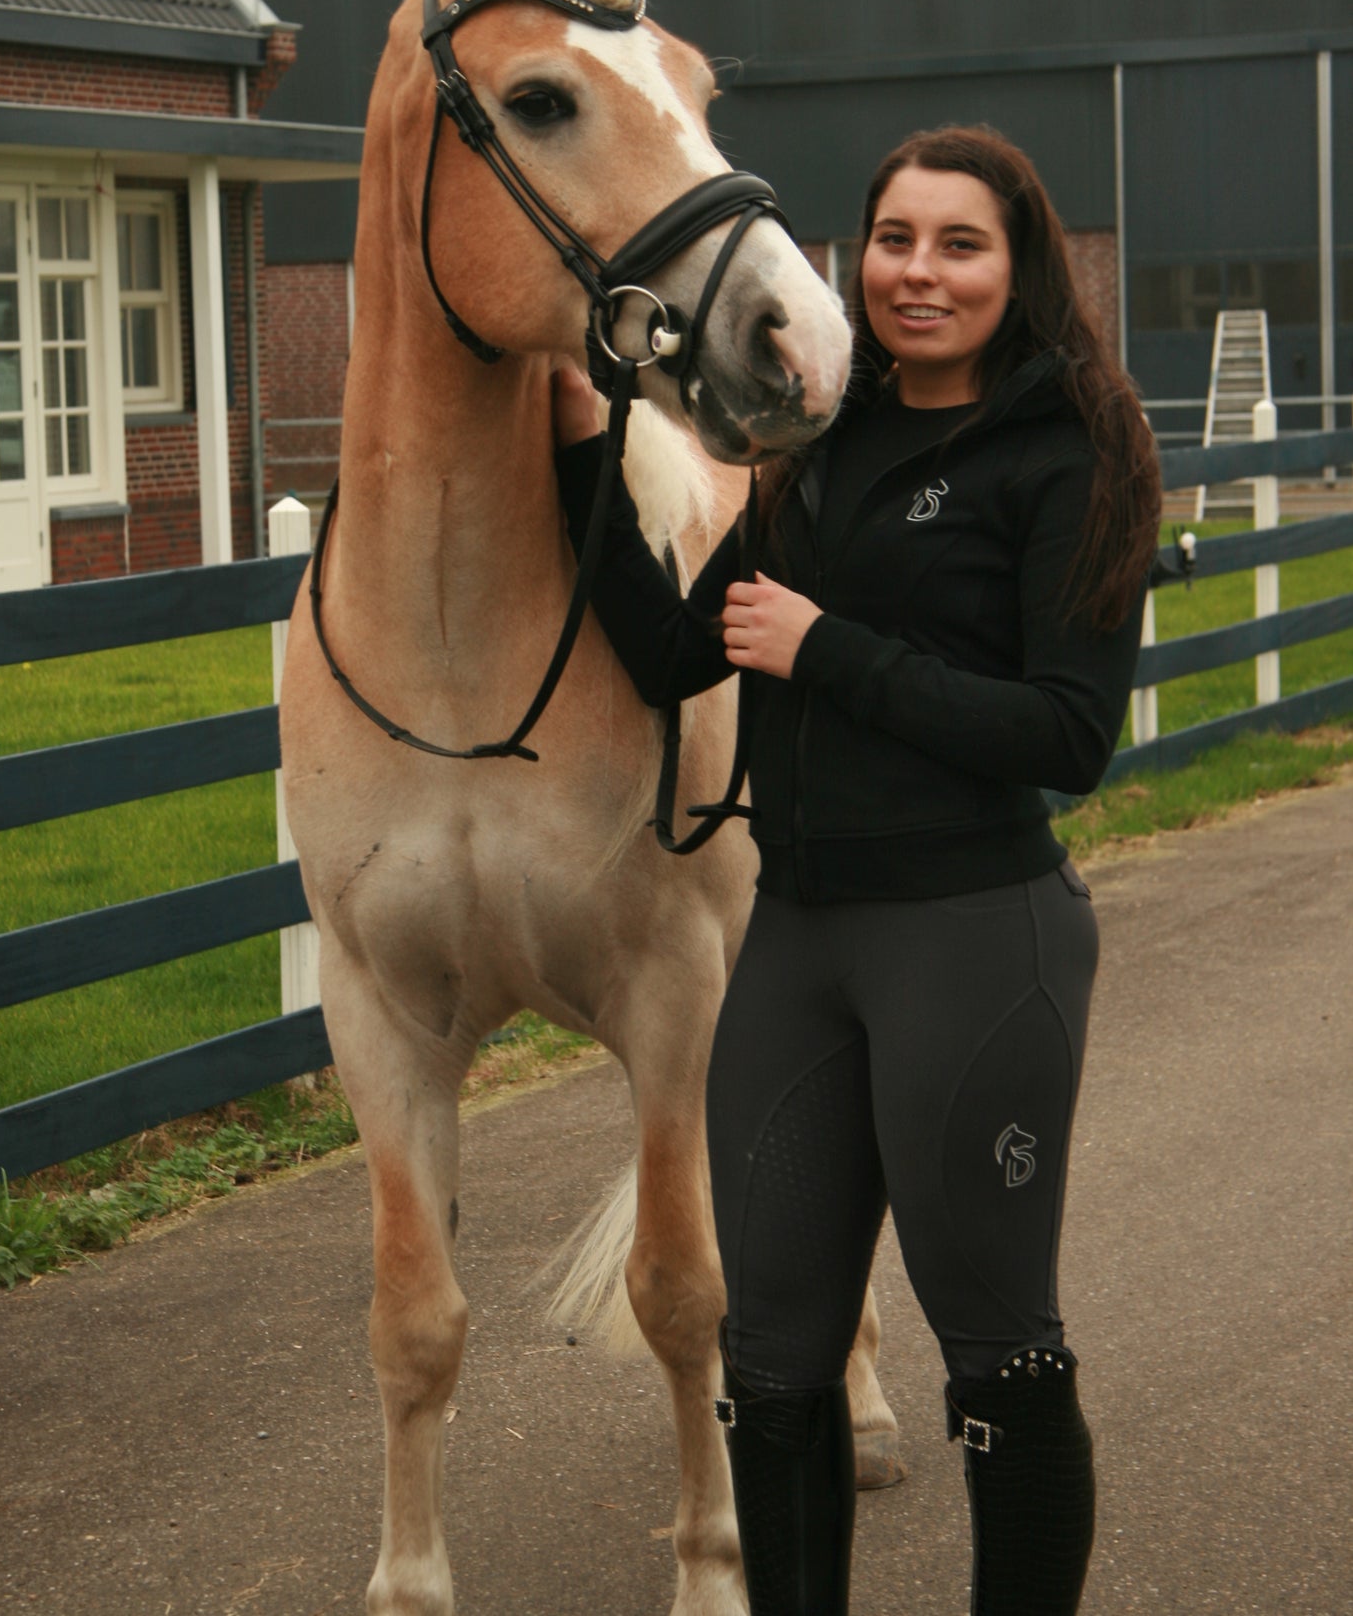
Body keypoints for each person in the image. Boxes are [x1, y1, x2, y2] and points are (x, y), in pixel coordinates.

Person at [552, 124, 1162, 1615]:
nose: (918, 273)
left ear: (1018, 268)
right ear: (855, 255)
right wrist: (580, 441)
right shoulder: (814, 441)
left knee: (995, 1351)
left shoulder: (1069, 448)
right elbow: (674, 647)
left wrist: (833, 652)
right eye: (894, 238)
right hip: (798, 943)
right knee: (770, 1364)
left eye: (960, 244)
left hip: (972, 938)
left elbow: (1068, 735)